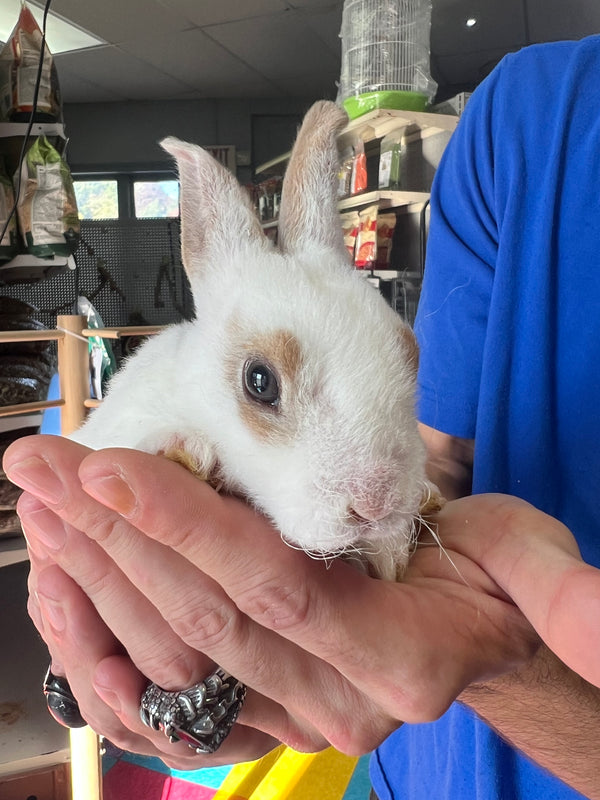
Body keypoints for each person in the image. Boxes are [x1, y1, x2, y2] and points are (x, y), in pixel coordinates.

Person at [4, 31, 600, 799]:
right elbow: (449, 451)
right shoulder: (528, 118)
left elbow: (417, 465)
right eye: (262, 384)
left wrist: (510, 661)